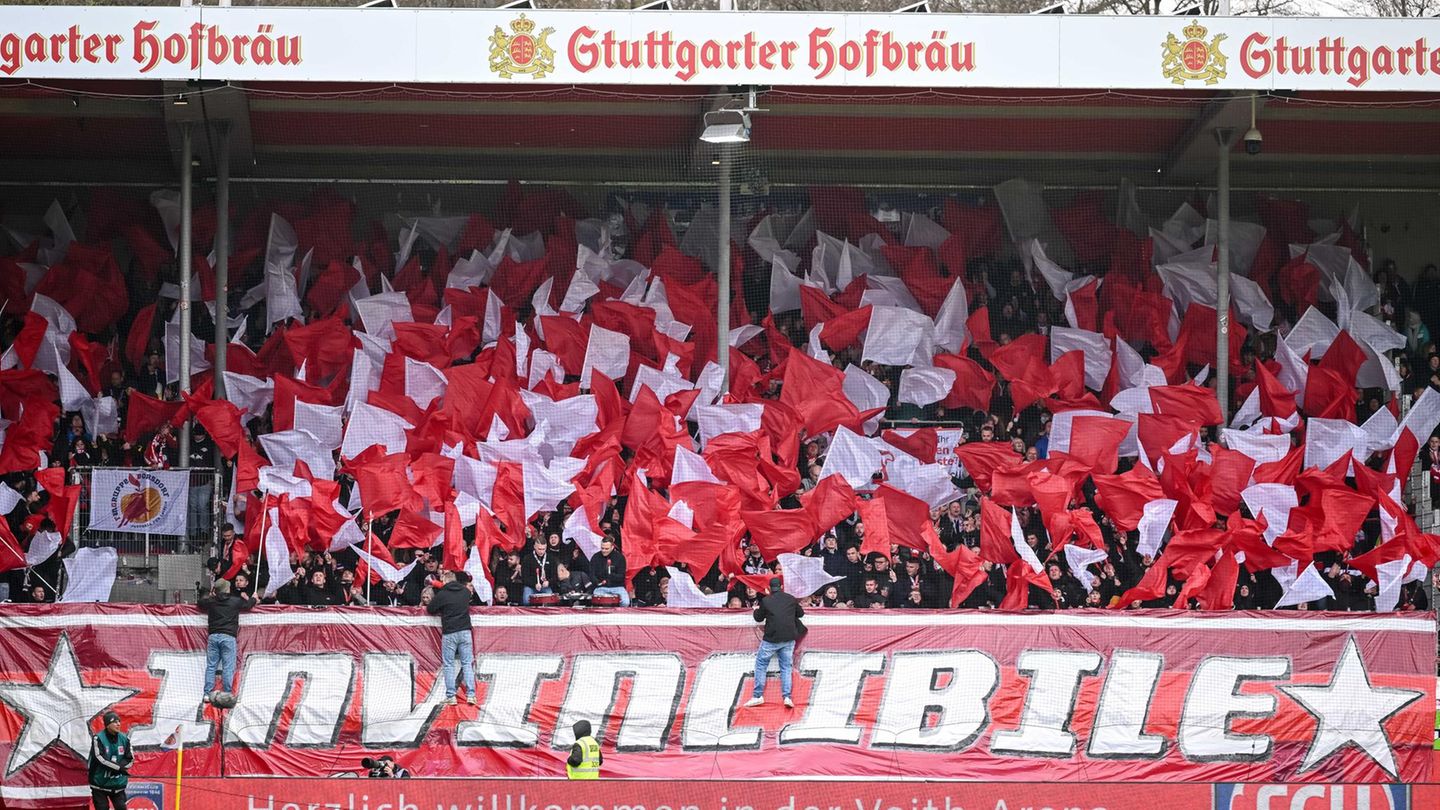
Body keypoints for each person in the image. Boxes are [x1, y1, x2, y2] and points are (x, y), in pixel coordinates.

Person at [744, 577, 804, 709]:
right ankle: (787, 697)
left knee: (761, 664)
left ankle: (757, 695)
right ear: (781, 587)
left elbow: (758, 618)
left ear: (770, 589)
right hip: (788, 638)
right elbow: (801, 614)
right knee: (786, 667)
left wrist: (755, 609)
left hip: (771, 639)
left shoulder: (766, 600)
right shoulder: (790, 598)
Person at [198, 578, 257, 702]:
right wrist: (253, 598)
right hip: (228, 637)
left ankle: (207, 694)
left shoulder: (212, 602)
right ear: (227, 589)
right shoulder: (234, 601)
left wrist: (210, 596)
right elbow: (248, 605)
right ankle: (227, 694)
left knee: (211, 666)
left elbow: (200, 603)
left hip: (213, 637)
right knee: (228, 667)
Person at [427, 570, 475, 706]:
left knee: (449, 665)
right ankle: (471, 695)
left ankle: (451, 696)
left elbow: (430, 609)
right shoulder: (466, 592)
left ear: (445, 581)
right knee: (467, 663)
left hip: (450, 633)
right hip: (465, 631)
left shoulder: (442, 594)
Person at [88, 710, 132, 810]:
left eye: (119, 721)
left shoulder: (125, 739)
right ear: (107, 724)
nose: (118, 724)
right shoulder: (98, 738)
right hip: (99, 784)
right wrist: (117, 768)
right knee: (103, 808)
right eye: (115, 722)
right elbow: (100, 758)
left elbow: (130, 758)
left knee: (121, 807)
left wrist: (121, 767)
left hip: (117, 784)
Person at [589, 536, 630, 606]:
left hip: (617, 587)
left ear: (612, 547)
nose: (604, 550)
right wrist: (597, 582)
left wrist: (611, 576)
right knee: (598, 601)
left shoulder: (620, 557)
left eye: (606, 549)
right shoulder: (595, 557)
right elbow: (591, 574)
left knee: (625, 602)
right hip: (601, 587)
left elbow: (622, 576)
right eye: (602, 548)